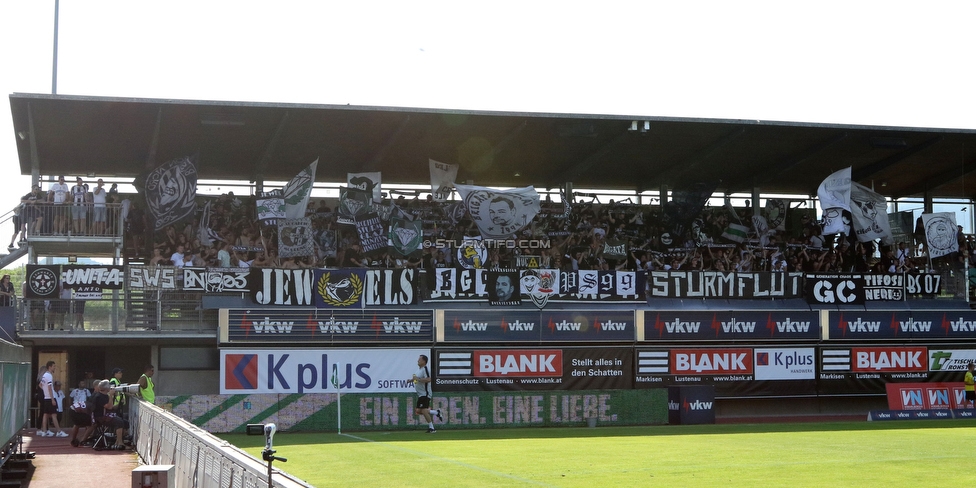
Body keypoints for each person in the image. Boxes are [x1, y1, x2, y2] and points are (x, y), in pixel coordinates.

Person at [407, 355, 442, 433]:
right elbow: (415, 379)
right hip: (420, 394)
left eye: (419, 359)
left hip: (425, 393)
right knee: (419, 410)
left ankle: (432, 428)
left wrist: (418, 379)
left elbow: (429, 379)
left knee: (423, 410)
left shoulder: (425, 369)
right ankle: (436, 412)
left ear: (424, 361)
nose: (418, 361)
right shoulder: (417, 371)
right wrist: (410, 380)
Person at [91, 380, 128, 450]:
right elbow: (109, 407)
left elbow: (110, 407)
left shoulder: (104, 395)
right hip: (100, 418)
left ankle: (117, 442)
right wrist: (111, 395)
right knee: (119, 421)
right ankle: (120, 442)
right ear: (106, 389)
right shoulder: (99, 396)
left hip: (105, 415)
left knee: (125, 422)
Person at [37, 361, 67, 437]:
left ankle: (44, 431)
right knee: (54, 414)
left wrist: (45, 392)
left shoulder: (44, 375)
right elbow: (50, 387)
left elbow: (40, 385)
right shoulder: (49, 375)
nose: (54, 368)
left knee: (45, 414)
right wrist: (52, 399)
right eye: (54, 366)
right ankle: (59, 431)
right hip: (50, 397)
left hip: (46, 397)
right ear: (50, 367)